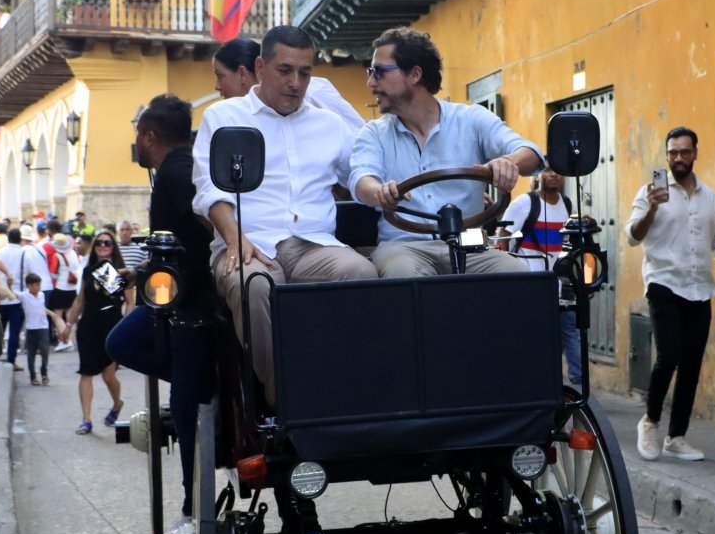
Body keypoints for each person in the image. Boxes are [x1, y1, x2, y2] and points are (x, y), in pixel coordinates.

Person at [193, 26, 377, 401]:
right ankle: (287, 400)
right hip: (247, 243)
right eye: (285, 70)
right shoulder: (224, 117)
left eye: (305, 72)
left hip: (312, 245)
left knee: (362, 273)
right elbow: (210, 192)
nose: (296, 82)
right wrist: (235, 240)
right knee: (253, 285)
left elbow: (360, 177)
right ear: (260, 67)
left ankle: (349, 386)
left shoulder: (329, 125)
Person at [349, 26, 541, 277]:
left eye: (379, 72)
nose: (371, 82)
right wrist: (380, 192)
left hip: (470, 244)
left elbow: (532, 153)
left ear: (415, 74)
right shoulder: (373, 133)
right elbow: (362, 180)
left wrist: (508, 162)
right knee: (402, 273)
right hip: (404, 246)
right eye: (370, 72)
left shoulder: (471, 119)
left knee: (517, 273)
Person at [107, 94, 215, 526]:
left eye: (138, 135)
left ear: (149, 135)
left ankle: (193, 507)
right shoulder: (180, 169)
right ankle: (206, 379)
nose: (137, 144)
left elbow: (202, 233)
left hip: (192, 304)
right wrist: (143, 273)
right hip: (178, 293)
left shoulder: (176, 174)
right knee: (127, 344)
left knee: (185, 403)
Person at [626, 127, 715, 463]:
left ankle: (677, 436)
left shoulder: (709, 198)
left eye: (684, 152)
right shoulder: (650, 192)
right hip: (663, 283)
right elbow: (633, 237)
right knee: (669, 355)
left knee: (692, 363)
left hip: (699, 289)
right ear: (667, 156)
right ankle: (649, 421)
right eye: (672, 153)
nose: (678, 158)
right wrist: (651, 208)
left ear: (695, 153)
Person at [497, 168, 582, 386]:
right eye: (547, 169)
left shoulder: (569, 206)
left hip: (562, 288)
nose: (553, 174)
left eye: (558, 170)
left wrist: (580, 282)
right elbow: (502, 239)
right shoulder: (524, 204)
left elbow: (574, 249)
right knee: (538, 338)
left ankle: (579, 388)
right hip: (531, 289)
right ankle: (540, 382)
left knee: (571, 334)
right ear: (538, 175)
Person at [212, 36, 366, 131]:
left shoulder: (312, 92)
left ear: (242, 74)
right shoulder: (241, 117)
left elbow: (359, 138)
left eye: (220, 76)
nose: (217, 86)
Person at [61, 229, 131, 434]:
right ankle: (86, 420)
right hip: (88, 326)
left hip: (111, 327)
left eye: (107, 243)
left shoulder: (121, 271)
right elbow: (80, 300)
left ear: (113, 247)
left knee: (109, 374)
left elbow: (129, 302)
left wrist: (126, 328)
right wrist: (68, 325)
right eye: (99, 242)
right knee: (86, 372)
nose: (102, 245)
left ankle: (117, 403)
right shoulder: (88, 271)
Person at [21, 273, 64, 385]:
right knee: (31, 353)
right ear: (29, 286)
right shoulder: (24, 296)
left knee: (45, 351)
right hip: (31, 328)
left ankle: (44, 372)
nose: (39, 287)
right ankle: (33, 376)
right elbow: (12, 295)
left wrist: (52, 314)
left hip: (43, 327)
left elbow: (42, 308)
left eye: (39, 285)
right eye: (36, 285)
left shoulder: (41, 295)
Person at [0, 227, 28, 370]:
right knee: (14, 332)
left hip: (1, 298)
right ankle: (11, 360)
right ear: (20, 239)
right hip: (16, 298)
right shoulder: (24, 253)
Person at [50, 232, 80, 351]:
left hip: (61, 287)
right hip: (73, 288)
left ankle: (65, 341)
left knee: (57, 316)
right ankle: (71, 341)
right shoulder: (73, 253)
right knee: (69, 316)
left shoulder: (56, 256)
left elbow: (53, 273)